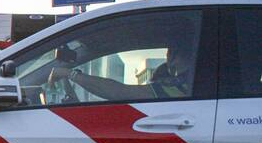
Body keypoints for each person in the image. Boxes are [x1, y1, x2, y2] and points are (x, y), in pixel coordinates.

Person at [48, 38, 194, 101]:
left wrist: (70, 74)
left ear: (174, 57)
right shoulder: (191, 84)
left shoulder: (181, 86)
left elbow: (120, 92)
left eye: (169, 52)